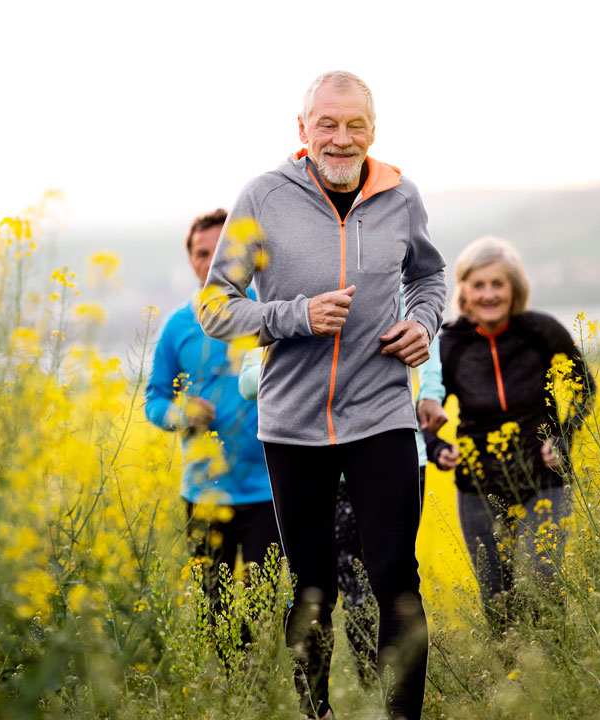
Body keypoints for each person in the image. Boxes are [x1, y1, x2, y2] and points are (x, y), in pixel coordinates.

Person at [199, 71, 446, 720]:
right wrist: (295, 317)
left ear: (373, 130)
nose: (341, 138)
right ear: (303, 130)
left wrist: (421, 325)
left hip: (382, 415)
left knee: (396, 577)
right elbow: (216, 307)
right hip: (294, 426)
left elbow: (430, 278)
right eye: (327, 125)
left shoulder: (401, 197)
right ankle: (319, 713)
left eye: (355, 125)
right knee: (312, 587)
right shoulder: (263, 198)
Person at [237, 325, 450, 689]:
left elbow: (426, 353)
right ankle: (328, 700)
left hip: (391, 452)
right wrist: (307, 365)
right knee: (324, 586)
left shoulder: (386, 282)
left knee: (392, 580)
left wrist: (430, 394)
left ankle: (387, 699)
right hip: (313, 457)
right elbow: (246, 382)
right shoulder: (279, 297)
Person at [427, 236, 595, 632]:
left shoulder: (541, 332)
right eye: (478, 284)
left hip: (544, 481)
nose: (488, 294)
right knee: (498, 600)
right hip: (479, 488)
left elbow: (585, 386)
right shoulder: (449, 344)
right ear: (463, 289)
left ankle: (555, 677)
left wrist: (564, 437)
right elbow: (425, 408)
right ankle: (512, 684)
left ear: (514, 288)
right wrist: (437, 447)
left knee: (544, 582)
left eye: (497, 284)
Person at [144, 209, 279, 613]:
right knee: (214, 613)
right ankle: (227, 678)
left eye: (223, 250)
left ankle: (253, 679)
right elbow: (154, 401)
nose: (211, 261)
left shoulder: (269, 313)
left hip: (268, 490)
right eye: (203, 253)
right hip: (203, 492)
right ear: (191, 260)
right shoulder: (177, 327)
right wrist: (182, 413)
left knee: (263, 613)